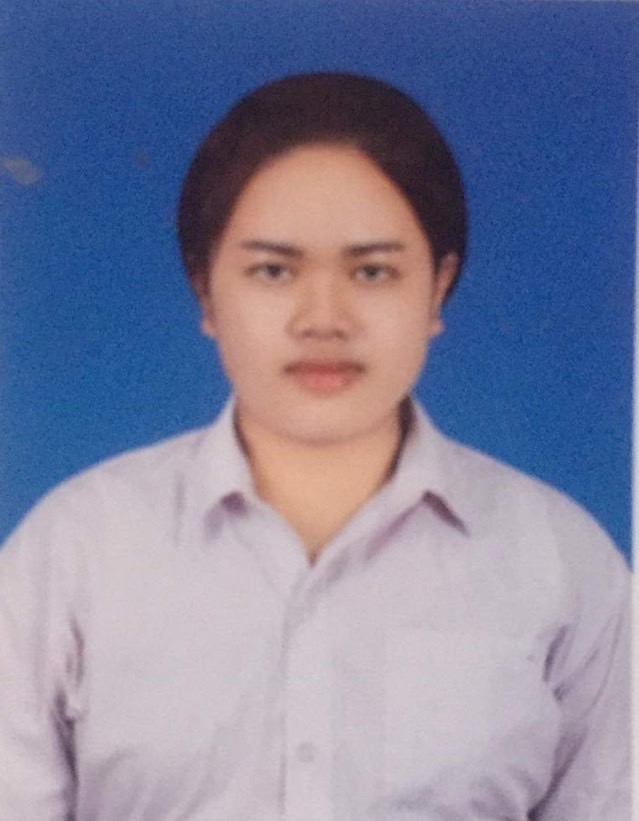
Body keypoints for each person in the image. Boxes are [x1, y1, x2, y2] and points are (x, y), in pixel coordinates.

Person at [0, 72, 630, 820]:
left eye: (372, 271)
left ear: (436, 288)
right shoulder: (74, 551)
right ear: (206, 291)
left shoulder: (559, 561)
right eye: (273, 270)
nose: (323, 318)